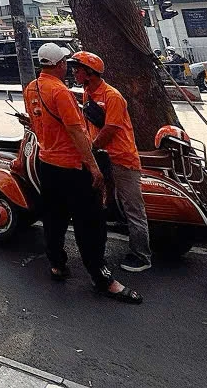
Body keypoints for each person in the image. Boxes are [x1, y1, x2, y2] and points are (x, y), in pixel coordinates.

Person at [24, 43, 141, 304]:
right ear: (60, 65)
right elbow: (77, 132)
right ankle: (102, 278)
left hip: (47, 164)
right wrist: (93, 166)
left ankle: (57, 264)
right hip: (73, 167)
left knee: (54, 218)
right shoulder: (61, 92)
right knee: (90, 223)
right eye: (69, 64)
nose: (72, 69)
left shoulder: (31, 88)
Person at [73, 51, 151, 272]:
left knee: (133, 208)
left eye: (78, 70)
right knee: (106, 202)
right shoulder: (88, 93)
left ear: (90, 73)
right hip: (103, 158)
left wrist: (91, 147)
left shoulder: (112, 96)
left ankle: (142, 255)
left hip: (121, 158)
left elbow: (111, 129)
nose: (75, 73)